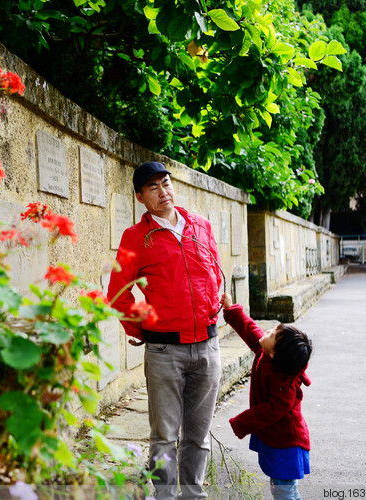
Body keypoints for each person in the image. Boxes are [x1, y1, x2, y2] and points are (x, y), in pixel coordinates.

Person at [107, 161, 224, 499]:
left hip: (207, 346)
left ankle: (193, 495)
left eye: (166, 183)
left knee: (198, 436)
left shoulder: (200, 226)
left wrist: (216, 298)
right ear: (140, 197)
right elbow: (118, 294)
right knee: (164, 436)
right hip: (164, 352)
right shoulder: (135, 237)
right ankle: (165, 496)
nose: (163, 191)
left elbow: (215, 273)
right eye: (153, 187)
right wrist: (143, 329)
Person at [221, 292, 313, 500]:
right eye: (273, 330)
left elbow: (270, 410)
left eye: (272, 334)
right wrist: (231, 309)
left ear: (275, 354)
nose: (268, 331)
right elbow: (250, 330)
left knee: (285, 490)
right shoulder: (267, 353)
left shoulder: (285, 385)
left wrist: (243, 421)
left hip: (287, 443)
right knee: (280, 487)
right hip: (276, 439)